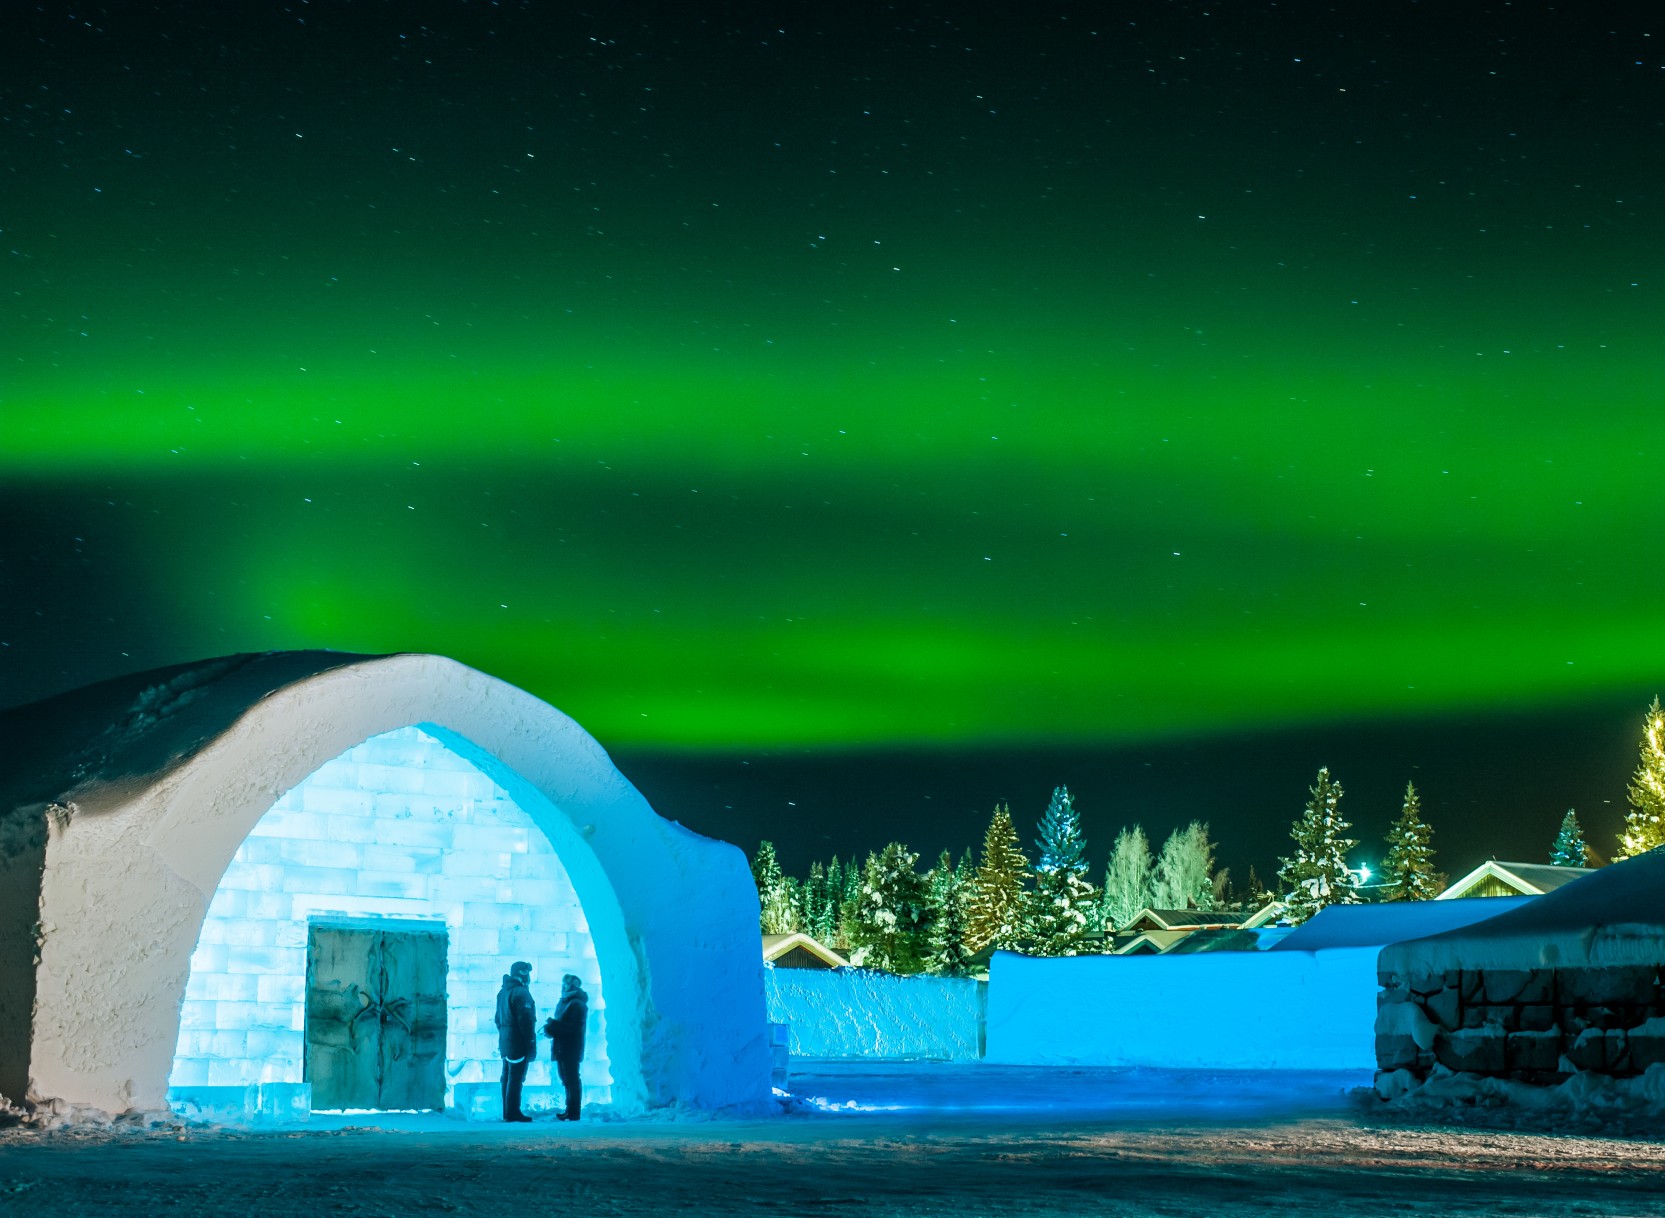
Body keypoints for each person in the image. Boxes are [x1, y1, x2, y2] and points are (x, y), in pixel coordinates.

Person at [494, 961, 536, 1122]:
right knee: (516, 1077)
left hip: (505, 1039)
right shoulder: (521, 993)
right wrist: (530, 1045)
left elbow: (498, 1019)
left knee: (507, 1075)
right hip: (517, 1040)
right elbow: (526, 1022)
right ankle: (513, 1112)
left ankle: (507, 1111)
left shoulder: (502, 992)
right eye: (527, 973)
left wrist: (505, 1033)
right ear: (522, 974)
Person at [544, 973, 588, 1121]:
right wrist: (550, 1029)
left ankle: (574, 1111)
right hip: (562, 1046)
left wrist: (553, 1025)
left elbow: (574, 1028)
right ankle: (569, 1109)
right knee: (566, 1079)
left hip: (571, 1047)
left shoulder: (577, 1004)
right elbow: (562, 1025)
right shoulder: (564, 1001)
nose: (563, 986)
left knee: (572, 1079)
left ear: (573, 985)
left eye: (566, 983)